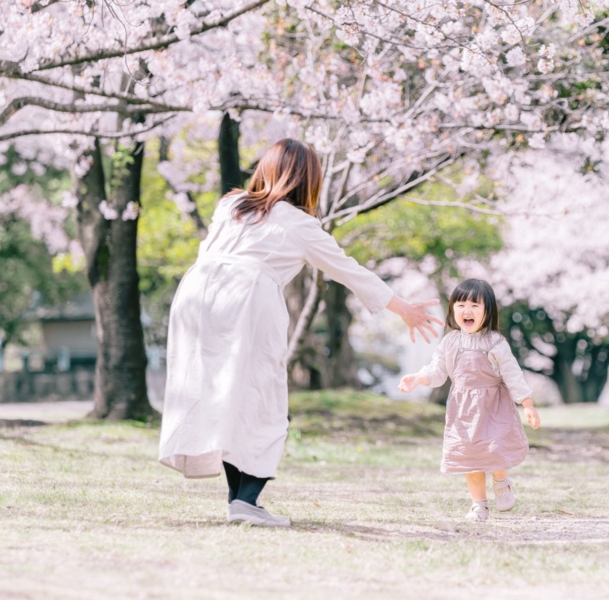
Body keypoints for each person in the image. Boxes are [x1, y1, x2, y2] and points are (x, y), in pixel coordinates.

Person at [157, 139, 443, 528]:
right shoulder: (300, 224)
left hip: (197, 293)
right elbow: (349, 270)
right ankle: (245, 500)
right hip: (247, 297)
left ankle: (241, 501)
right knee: (261, 397)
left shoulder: (231, 206)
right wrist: (404, 308)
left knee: (223, 395)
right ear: (309, 179)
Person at [398, 279, 542, 522]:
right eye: (461, 304)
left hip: (494, 405)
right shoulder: (451, 341)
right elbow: (437, 370)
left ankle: (501, 481)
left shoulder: (496, 342)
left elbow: (512, 374)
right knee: (470, 458)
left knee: (496, 447)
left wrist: (527, 404)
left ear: (488, 311)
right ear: (453, 309)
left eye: (475, 305)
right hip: (463, 410)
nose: (467, 310)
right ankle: (479, 505)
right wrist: (418, 378)